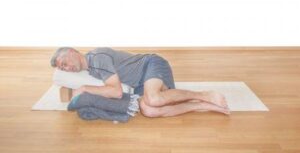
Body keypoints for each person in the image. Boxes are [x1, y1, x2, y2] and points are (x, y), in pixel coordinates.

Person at [50, 47, 230, 117]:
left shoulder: (97, 58)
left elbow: (116, 92)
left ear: (73, 52)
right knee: (149, 110)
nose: (66, 68)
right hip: (140, 83)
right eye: (62, 68)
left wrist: (83, 88)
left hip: (151, 65)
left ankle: (204, 95)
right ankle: (198, 105)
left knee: (153, 99)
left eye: (64, 63)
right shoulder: (91, 67)